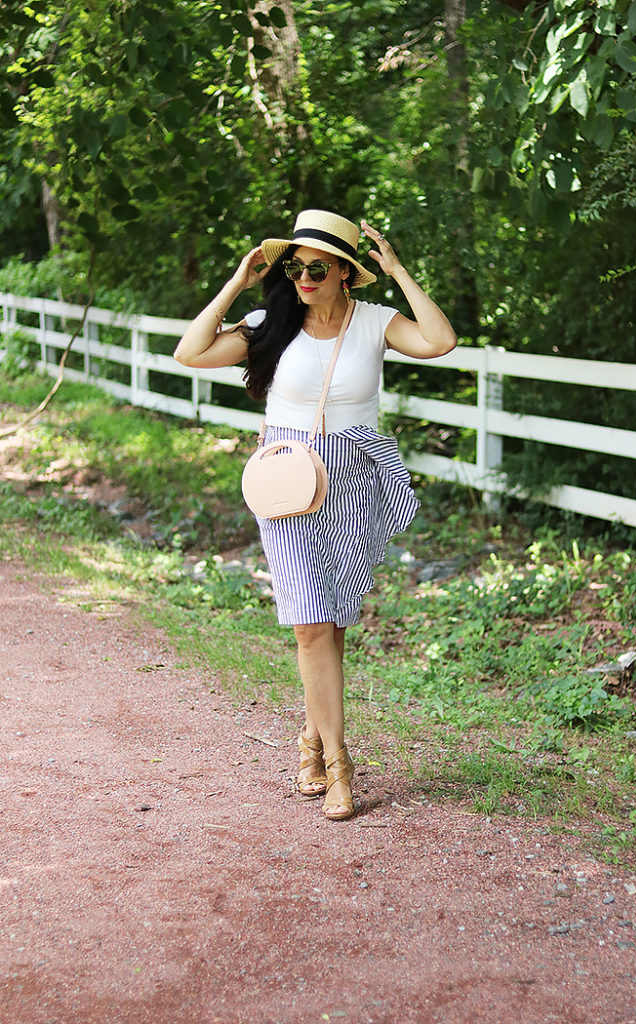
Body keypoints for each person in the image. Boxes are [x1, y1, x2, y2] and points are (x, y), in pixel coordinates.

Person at [174, 209, 457, 821]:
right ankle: (338, 763)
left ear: (345, 275)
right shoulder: (270, 323)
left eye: (318, 267)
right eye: (295, 266)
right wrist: (237, 281)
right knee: (308, 622)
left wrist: (400, 270)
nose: (304, 276)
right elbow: (189, 353)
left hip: (357, 477)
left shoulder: (376, 323)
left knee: (333, 622)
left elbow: (440, 340)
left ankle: (309, 740)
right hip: (289, 480)